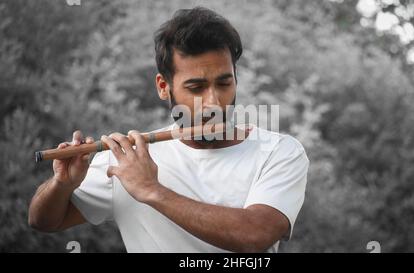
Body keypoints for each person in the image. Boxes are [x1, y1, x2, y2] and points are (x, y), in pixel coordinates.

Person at [28, 7, 309, 253]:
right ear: (164, 87)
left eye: (224, 83)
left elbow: (254, 235)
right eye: (196, 87)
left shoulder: (278, 151)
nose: (214, 102)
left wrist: (151, 190)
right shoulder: (128, 161)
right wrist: (62, 186)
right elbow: (43, 221)